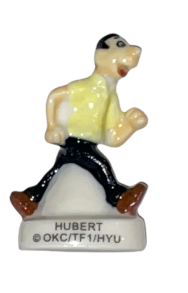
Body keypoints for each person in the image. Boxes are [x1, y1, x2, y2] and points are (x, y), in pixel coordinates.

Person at [11, 34, 148, 217]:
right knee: (100, 165)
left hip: (85, 143)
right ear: (100, 55)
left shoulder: (111, 97)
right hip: (73, 140)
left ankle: (30, 197)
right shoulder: (85, 87)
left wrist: (130, 126)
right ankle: (118, 196)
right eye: (119, 46)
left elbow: (111, 137)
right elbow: (55, 96)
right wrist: (52, 126)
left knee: (58, 168)